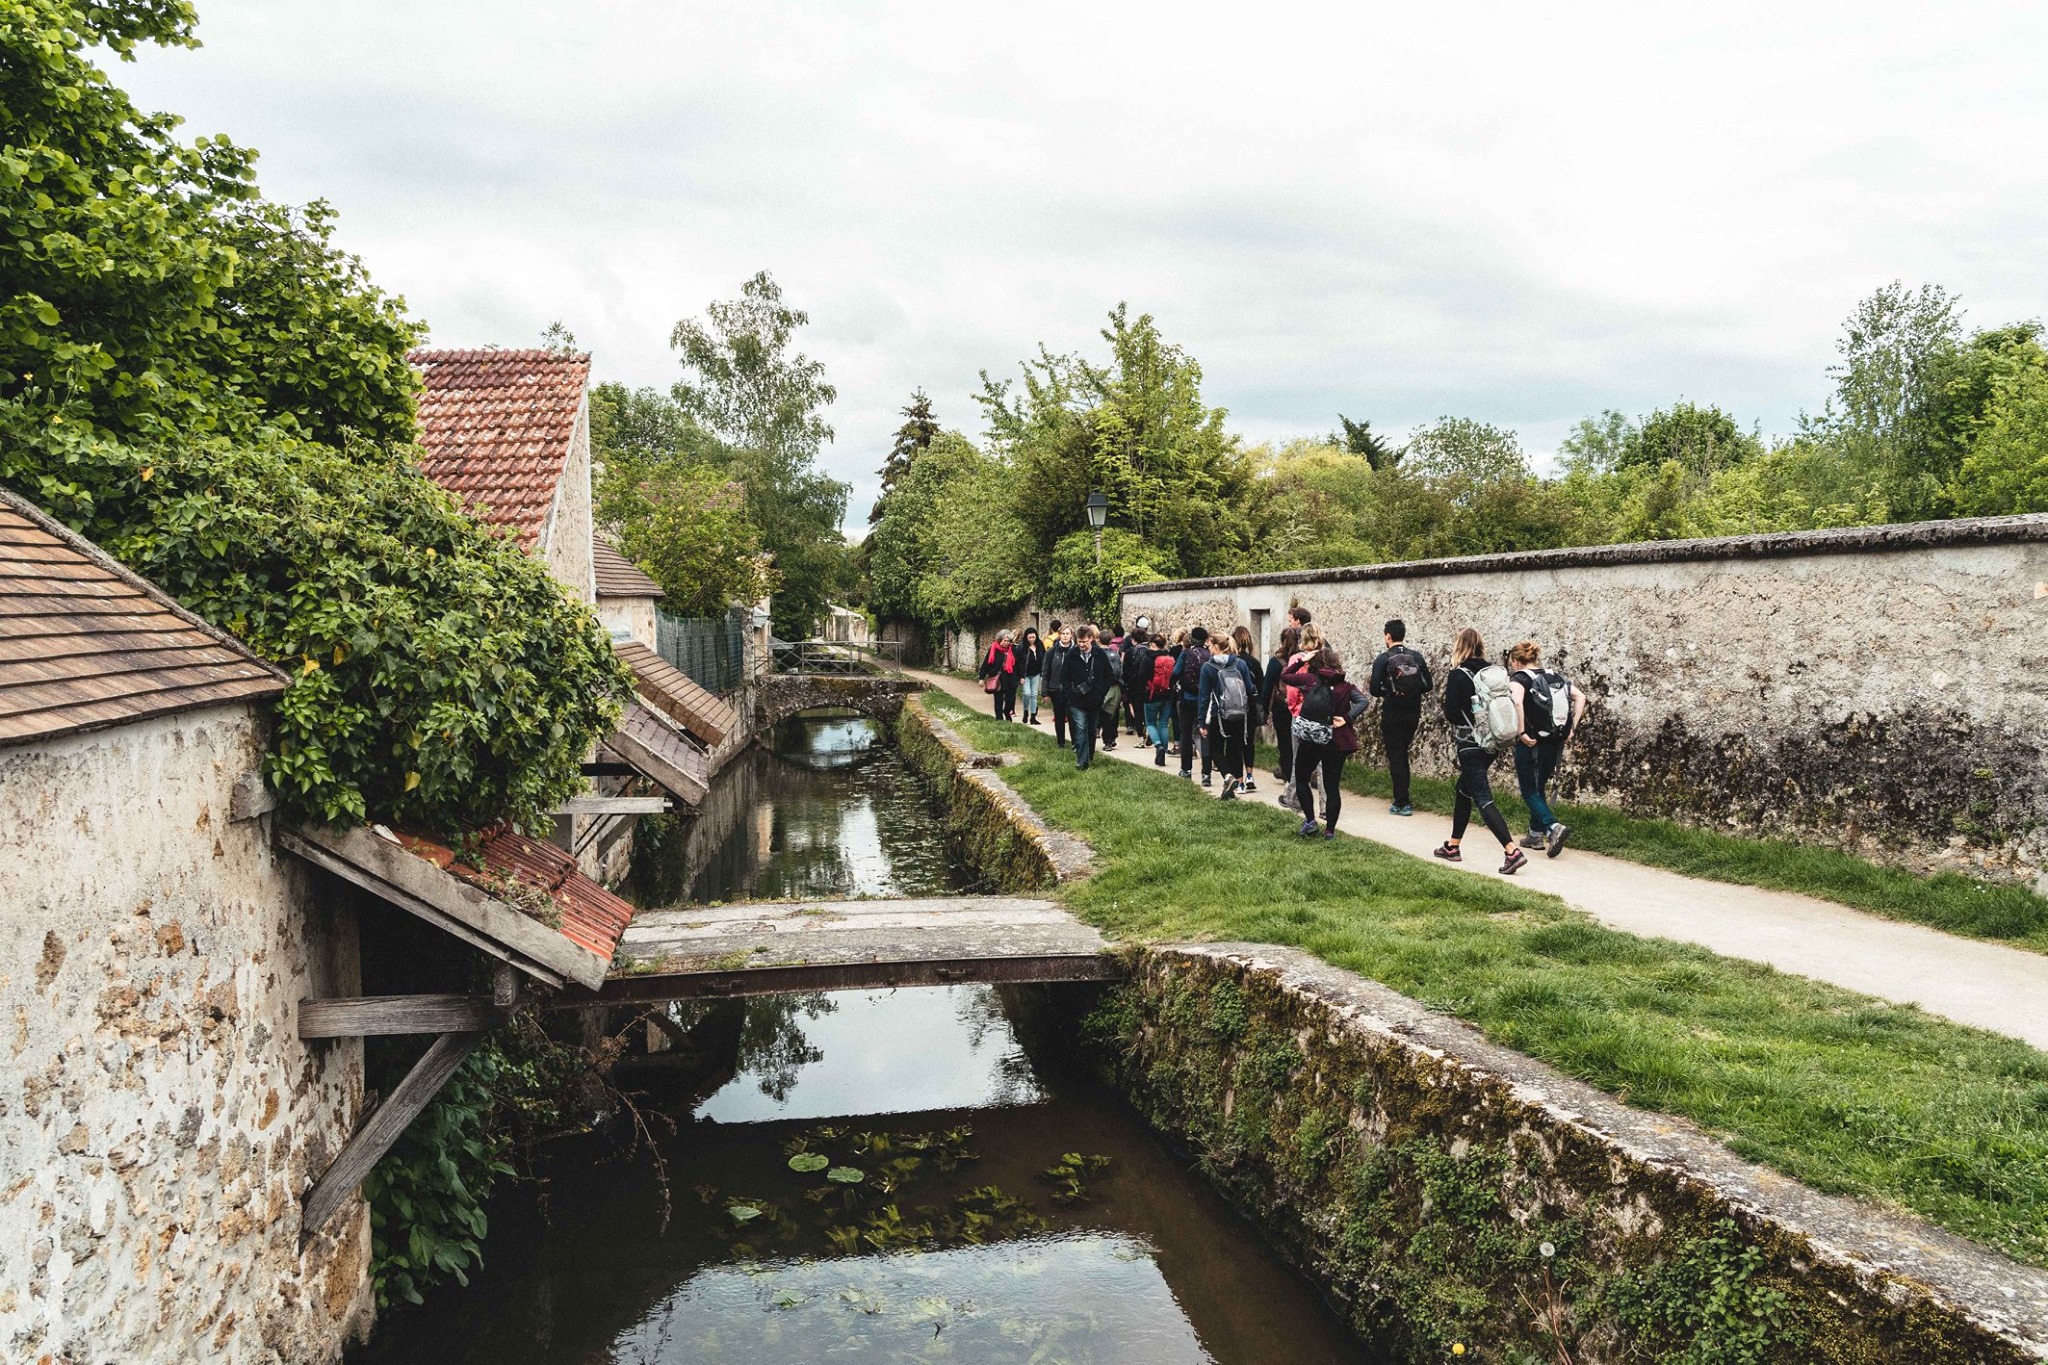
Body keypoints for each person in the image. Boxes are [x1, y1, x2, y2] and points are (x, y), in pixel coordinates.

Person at [1435, 628, 1527, 875]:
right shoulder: (1492, 672)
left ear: (1459, 647)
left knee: (1482, 797)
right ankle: (1453, 846)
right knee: (1463, 789)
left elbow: (1452, 713)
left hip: (1470, 744)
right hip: (1493, 743)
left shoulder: (1458, 675)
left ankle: (1511, 851)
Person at [1507, 640, 1587, 857]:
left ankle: (1552, 827)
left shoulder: (1519, 678)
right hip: (1554, 741)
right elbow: (1580, 697)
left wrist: (1521, 732)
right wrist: (1572, 727)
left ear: (1515, 661)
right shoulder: (1554, 676)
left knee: (1529, 790)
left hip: (1532, 741)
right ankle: (1534, 835)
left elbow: (1516, 703)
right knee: (1539, 785)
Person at [1280, 643, 1364, 838]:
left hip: (1312, 738)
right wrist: (1347, 718)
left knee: (1301, 779)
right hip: (1338, 741)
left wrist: (1302, 659)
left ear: (1315, 663)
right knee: (1332, 786)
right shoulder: (1345, 685)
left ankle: (1310, 821)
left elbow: (1285, 676)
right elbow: (1363, 701)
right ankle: (1330, 831)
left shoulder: (1310, 680)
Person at [1368, 618, 1433, 816]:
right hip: (1413, 711)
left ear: (1388, 636)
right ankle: (1402, 797)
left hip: (1392, 712)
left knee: (1396, 755)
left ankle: (1402, 802)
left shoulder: (1383, 658)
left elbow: (1373, 689)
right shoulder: (1416, 656)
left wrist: (1390, 692)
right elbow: (1428, 685)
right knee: (1402, 752)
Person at [1198, 633, 1262, 799]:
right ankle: (1234, 788)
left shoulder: (1208, 667)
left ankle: (1228, 777)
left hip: (1218, 715)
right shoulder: (1240, 663)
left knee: (1215, 749)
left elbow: (1204, 697)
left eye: (1210, 645)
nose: (1208, 648)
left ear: (1217, 647)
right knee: (1235, 750)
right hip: (1240, 714)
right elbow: (1249, 689)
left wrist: (1201, 722)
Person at [1277, 623, 1324, 810]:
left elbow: (1291, 690)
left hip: (1301, 714)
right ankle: (1325, 806)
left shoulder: (1298, 658)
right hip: (1322, 715)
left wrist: (1294, 708)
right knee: (1322, 764)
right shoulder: (1327, 658)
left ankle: (1294, 798)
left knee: (1298, 759)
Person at [1060, 624, 1115, 770]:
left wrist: (1101, 692)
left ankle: (1089, 755)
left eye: (1084, 641)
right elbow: (1064, 677)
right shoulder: (1072, 655)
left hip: (1094, 701)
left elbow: (1109, 675)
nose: (1081, 644)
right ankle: (1082, 761)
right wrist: (1070, 692)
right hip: (1076, 701)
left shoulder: (1099, 654)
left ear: (1091, 638)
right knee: (1081, 728)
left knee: (1091, 729)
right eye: (1079, 641)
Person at [1172, 626, 1214, 784]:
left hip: (1187, 698)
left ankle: (1186, 769)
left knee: (1186, 734)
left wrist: (1175, 685)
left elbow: (1176, 672)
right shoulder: (1210, 655)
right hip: (1205, 700)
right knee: (1205, 734)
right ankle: (1206, 774)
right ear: (1205, 639)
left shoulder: (1186, 653)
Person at [1264, 625, 1301, 803]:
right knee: (1299, 745)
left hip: (1282, 706)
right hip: (1302, 706)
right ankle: (1300, 777)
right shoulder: (1304, 659)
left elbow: (1267, 686)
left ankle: (1288, 779)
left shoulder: (1276, 661)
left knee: (1285, 743)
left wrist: (1264, 710)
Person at [1230, 625, 1263, 792]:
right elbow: (1261, 686)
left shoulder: (1232, 662)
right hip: (1250, 707)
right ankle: (1250, 774)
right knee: (1249, 742)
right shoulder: (1254, 663)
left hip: (1233, 707)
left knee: (1235, 744)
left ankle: (1240, 781)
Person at [1141, 632, 1177, 765]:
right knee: (1163, 724)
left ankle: (1158, 745)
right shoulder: (1168, 657)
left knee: (1150, 723)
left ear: (1152, 644)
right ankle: (1164, 751)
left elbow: (1141, 676)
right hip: (1167, 695)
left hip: (1151, 695)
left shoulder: (1148, 658)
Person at [1043, 624, 1074, 748]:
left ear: (1071, 635)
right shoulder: (1052, 651)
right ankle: (1060, 742)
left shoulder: (1076, 651)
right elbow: (1045, 671)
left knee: (1073, 717)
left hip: (1072, 690)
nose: (1065, 636)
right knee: (1059, 716)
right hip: (1056, 689)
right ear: (1059, 635)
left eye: (1068, 633)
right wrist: (1044, 691)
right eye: (1063, 634)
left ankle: (1075, 743)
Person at [979, 629, 1018, 721]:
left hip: (1010, 677)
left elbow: (1018, 663)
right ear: (1000, 640)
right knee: (998, 699)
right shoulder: (993, 649)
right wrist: (981, 677)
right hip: (998, 678)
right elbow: (986, 664)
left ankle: (1007, 712)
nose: (1006, 643)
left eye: (1008, 641)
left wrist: (1021, 677)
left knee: (1010, 699)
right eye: (1004, 640)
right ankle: (999, 719)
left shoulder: (1013, 649)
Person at [1166, 627, 1190, 756]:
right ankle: (1192, 745)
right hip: (1192, 688)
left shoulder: (1175, 651)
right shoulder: (1195, 652)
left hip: (1178, 688)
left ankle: (1178, 744)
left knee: (1175, 716)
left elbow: (1173, 670)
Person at [1016, 627, 1046, 725]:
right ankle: (1025, 712)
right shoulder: (1021, 647)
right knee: (1027, 693)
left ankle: (1033, 717)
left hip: (1036, 673)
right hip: (1025, 675)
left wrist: (1043, 672)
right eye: (1030, 637)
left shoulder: (1040, 645)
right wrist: (1020, 676)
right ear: (1026, 637)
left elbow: (1044, 658)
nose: (1032, 639)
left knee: (1034, 694)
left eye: (1033, 637)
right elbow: (1018, 663)